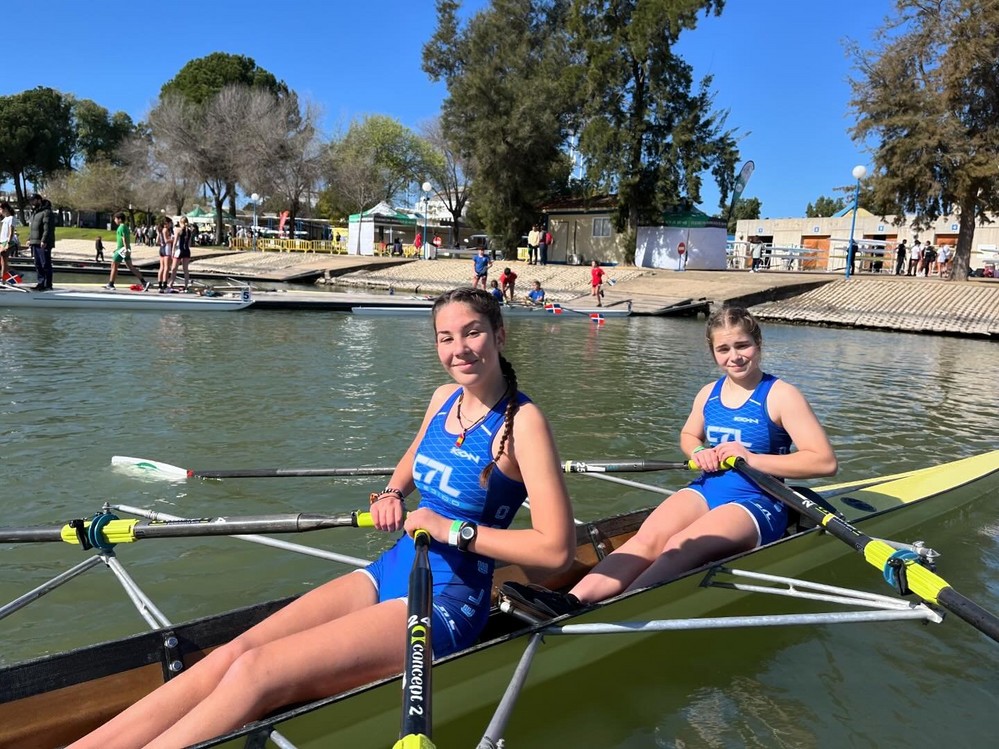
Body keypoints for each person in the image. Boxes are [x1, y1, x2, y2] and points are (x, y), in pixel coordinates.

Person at [67, 287, 576, 749]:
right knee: (232, 653)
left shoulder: (524, 425)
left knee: (257, 674)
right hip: (395, 567)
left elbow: (555, 549)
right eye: (446, 338)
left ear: (499, 334)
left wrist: (451, 530)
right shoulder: (443, 399)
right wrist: (392, 493)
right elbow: (413, 459)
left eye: (473, 332)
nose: (459, 349)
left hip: (448, 600)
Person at [503, 306, 837, 617]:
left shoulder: (781, 395)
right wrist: (697, 453)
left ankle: (618, 611)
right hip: (710, 487)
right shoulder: (709, 393)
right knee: (647, 539)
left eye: (742, 346)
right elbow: (689, 436)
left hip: (760, 500)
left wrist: (751, 458)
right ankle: (571, 602)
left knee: (680, 545)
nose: (734, 357)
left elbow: (823, 462)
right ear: (713, 353)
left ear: (758, 343)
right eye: (724, 350)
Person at [105, 212, 149, 291]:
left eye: (115, 219)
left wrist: (124, 249)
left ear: (120, 219)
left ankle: (111, 284)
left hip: (122, 249)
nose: (114, 220)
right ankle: (144, 282)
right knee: (130, 267)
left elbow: (124, 239)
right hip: (124, 249)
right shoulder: (125, 227)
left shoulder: (121, 227)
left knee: (114, 265)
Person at [27, 192, 55, 291]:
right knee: (38, 264)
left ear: (39, 200)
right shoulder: (35, 212)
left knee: (45, 264)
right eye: (31, 201)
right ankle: (40, 283)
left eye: (33, 200)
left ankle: (48, 285)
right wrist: (29, 239)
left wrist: (44, 240)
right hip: (35, 241)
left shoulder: (46, 212)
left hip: (43, 242)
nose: (32, 202)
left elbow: (47, 228)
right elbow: (33, 228)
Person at [169, 216, 193, 291]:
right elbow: (189, 243)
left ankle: (171, 283)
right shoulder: (189, 231)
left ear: (180, 222)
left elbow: (175, 241)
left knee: (174, 268)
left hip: (179, 250)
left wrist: (172, 251)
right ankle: (186, 285)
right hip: (187, 251)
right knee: (185, 269)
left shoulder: (178, 230)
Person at [156, 217, 174, 292]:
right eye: (170, 223)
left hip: (161, 249)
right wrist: (174, 239)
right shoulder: (165, 230)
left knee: (161, 267)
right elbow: (167, 240)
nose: (171, 225)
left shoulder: (160, 230)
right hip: (166, 249)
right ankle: (164, 285)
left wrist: (162, 243)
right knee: (166, 268)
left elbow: (157, 241)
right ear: (166, 223)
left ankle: (159, 285)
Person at [0, 201, 15, 283]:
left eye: (0, 209)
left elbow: (11, 232)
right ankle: (4, 277)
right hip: (1, 241)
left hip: (6, 242)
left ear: (5, 209)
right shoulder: (4, 219)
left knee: (4, 261)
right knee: (2, 261)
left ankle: (3, 279)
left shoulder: (11, 218)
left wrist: (7, 243)